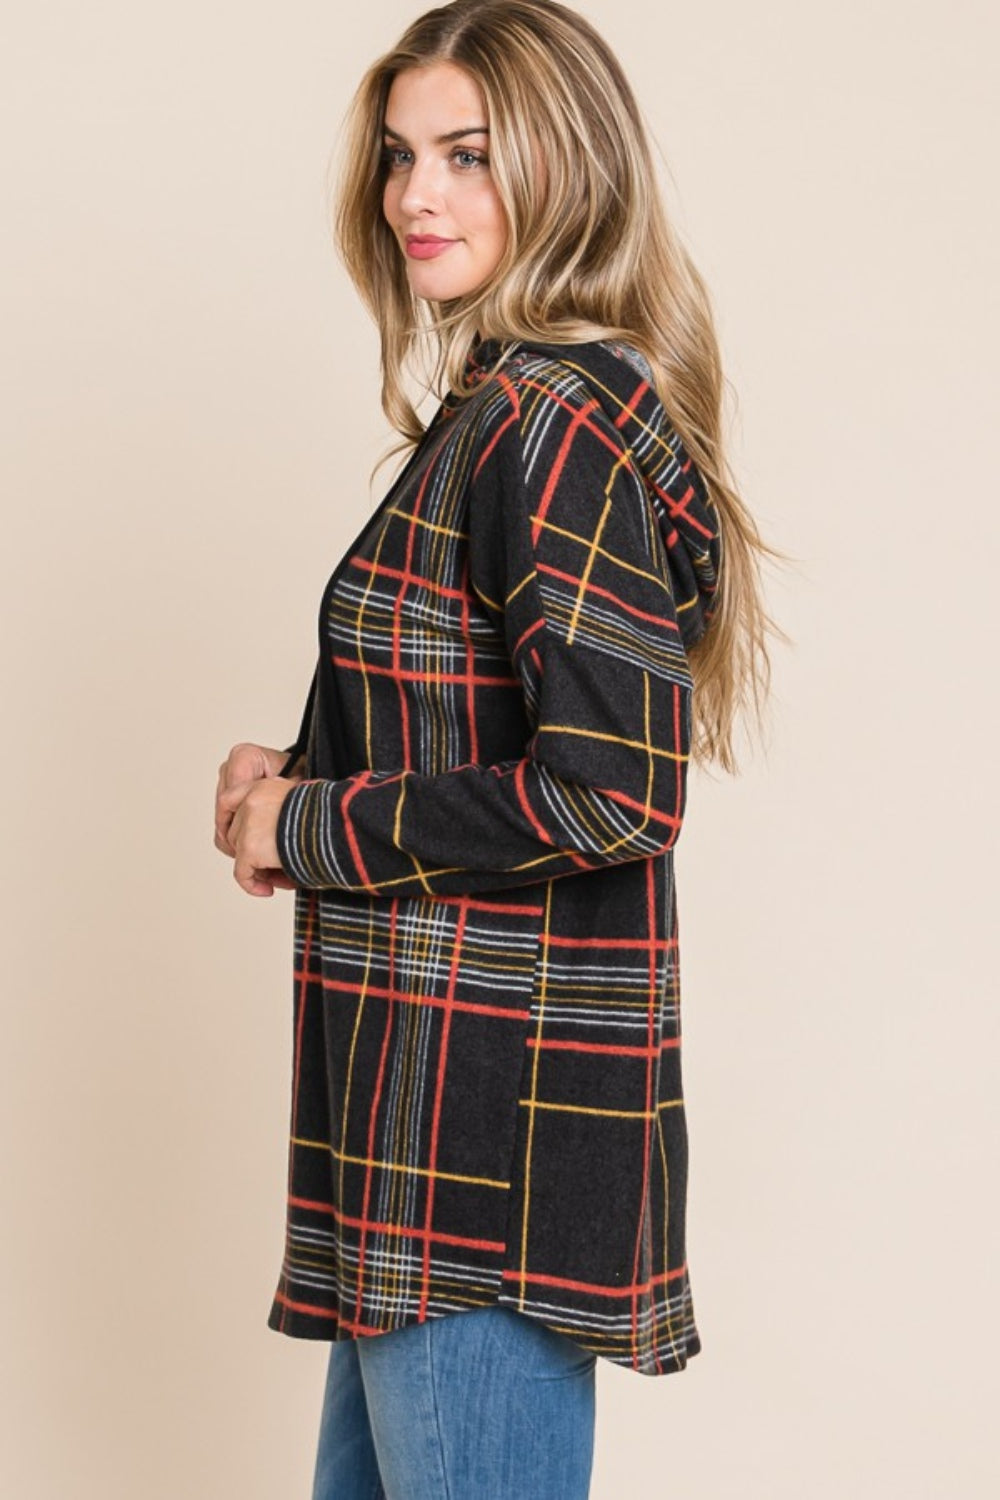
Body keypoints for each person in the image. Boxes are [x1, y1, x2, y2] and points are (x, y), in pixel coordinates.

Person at [214, 2, 779, 1495]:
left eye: (469, 154)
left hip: (478, 1148)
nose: (418, 195)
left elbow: (612, 792)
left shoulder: (547, 423)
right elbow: (466, 714)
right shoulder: (501, 412)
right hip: (422, 1127)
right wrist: (291, 780)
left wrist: (307, 829)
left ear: (570, 168)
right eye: (402, 155)